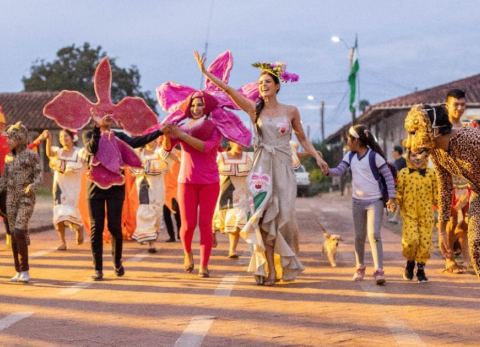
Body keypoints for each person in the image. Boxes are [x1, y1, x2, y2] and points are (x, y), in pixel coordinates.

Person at [195, 52, 328, 286]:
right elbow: (229, 91)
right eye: (260, 83)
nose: (263, 85)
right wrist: (207, 74)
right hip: (261, 169)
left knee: (285, 216)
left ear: (277, 86)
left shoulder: (291, 111)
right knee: (263, 217)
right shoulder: (254, 110)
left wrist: (317, 156)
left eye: (267, 82)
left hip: (284, 167)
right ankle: (269, 270)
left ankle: (282, 264)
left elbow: (303, 139)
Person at [158, 50, 253, 278]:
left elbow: (204, 147)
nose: (197, 108)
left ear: (206, 107)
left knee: (205, 226)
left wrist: (179, 133)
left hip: (210, 182)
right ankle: (187, 253)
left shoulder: (214, 128)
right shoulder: (179, 126)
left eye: (200, 105)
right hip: (186, 181)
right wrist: (167, 135)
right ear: (188, 107)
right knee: (188, 226)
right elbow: (166, 149)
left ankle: (204, 265)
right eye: (193, 105)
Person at [404, 104, 480, 278]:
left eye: (415, 132)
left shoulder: (471, 139)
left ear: (435, 130)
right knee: (476, 246)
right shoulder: (436, 152)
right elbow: (444, 186)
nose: (410, 141)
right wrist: (443, 229)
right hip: (478, 193)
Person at [83, 115, 163, 280]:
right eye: (103, 115)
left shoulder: (118, 136)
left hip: (116, 187)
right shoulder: (90, 135)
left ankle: (117, 262)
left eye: (109, 115)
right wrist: (98, 128)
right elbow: (92, 149)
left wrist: (160, 131)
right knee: (96, 228)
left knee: (114, 227)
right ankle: (98, 268)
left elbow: (137, 142)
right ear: (96, 119)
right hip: (94, 189)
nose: (108, 118)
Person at [325, 124, 396, 285]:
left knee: (374, 235)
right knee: (359, 237)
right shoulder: (349, 157)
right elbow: (339, 170)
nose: (347, 143)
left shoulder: (374, 157)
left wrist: (391, 197)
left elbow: (388, 177)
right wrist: (327, 170)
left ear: (356, 140)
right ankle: (360, 267)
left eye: (348, 140)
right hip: (357, 202)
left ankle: (379, 271)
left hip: (375, 202)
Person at [0, 122, 41, 283]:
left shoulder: (32, 156)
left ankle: (26, 270)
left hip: (26, 197)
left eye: (11, 138)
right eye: (8, 138)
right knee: (13, 235)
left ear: (21, 138)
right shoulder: (8, 158)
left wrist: (33, 185)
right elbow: (4, 179)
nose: (8, 141)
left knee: (18, 231)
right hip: (11, 198)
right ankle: (18, 270)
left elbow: (39, 175)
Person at [37, 129, 86, 251]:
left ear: (72, 137)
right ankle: (62, 242)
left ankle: (79, 227)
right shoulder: (57, 152)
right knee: (59, 213)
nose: (63, 139)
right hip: (59, 186)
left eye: (66, 136)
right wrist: (48, 138)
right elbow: (48, 153)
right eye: (61, 137)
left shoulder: (79, 152)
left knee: (71, 212)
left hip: (74, 188)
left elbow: (86, 159)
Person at [396, 148, 437, 282]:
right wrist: (393, 202)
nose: (417, 158)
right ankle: (410, 262)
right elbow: (399, 193)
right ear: (408, 156)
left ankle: (420, 269)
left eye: (421, 155)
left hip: (427, 215)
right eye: (413, 155)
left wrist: (444, 207)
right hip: (409, 214)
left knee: (425, 243)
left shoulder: (431, 174)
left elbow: (437, 194)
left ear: (426, 157)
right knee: (411, 240)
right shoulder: (403, 173)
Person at [213, 141, 253, 258]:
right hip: (223, 194)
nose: (240, 145)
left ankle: (232, 250)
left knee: (238, 221)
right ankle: (212, 233)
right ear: (231, 142)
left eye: (242, 143)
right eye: (237, 142)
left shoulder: (250, 157)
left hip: (242, 195)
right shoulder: (220, 157)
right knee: (218, 219)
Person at [131, 137, 172, 253]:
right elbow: (132, 169)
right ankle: (151, 243)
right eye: (149, 138)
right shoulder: (138, 153)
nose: (151, 141)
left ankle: (150, 234)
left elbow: (167, 166)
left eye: (153, 138)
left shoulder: (161, 152)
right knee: (145, 211)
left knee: (158, 213)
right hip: (144, 186)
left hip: (158, 187)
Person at [163, 146, 181, 242]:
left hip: (176, 188)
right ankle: (171, 236)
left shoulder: (179, 154)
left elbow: (182, 162)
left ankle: (179, 233)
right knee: (166, 214)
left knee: (177, 213)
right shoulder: (160, 153)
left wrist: (174, 156)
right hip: (164, 188)